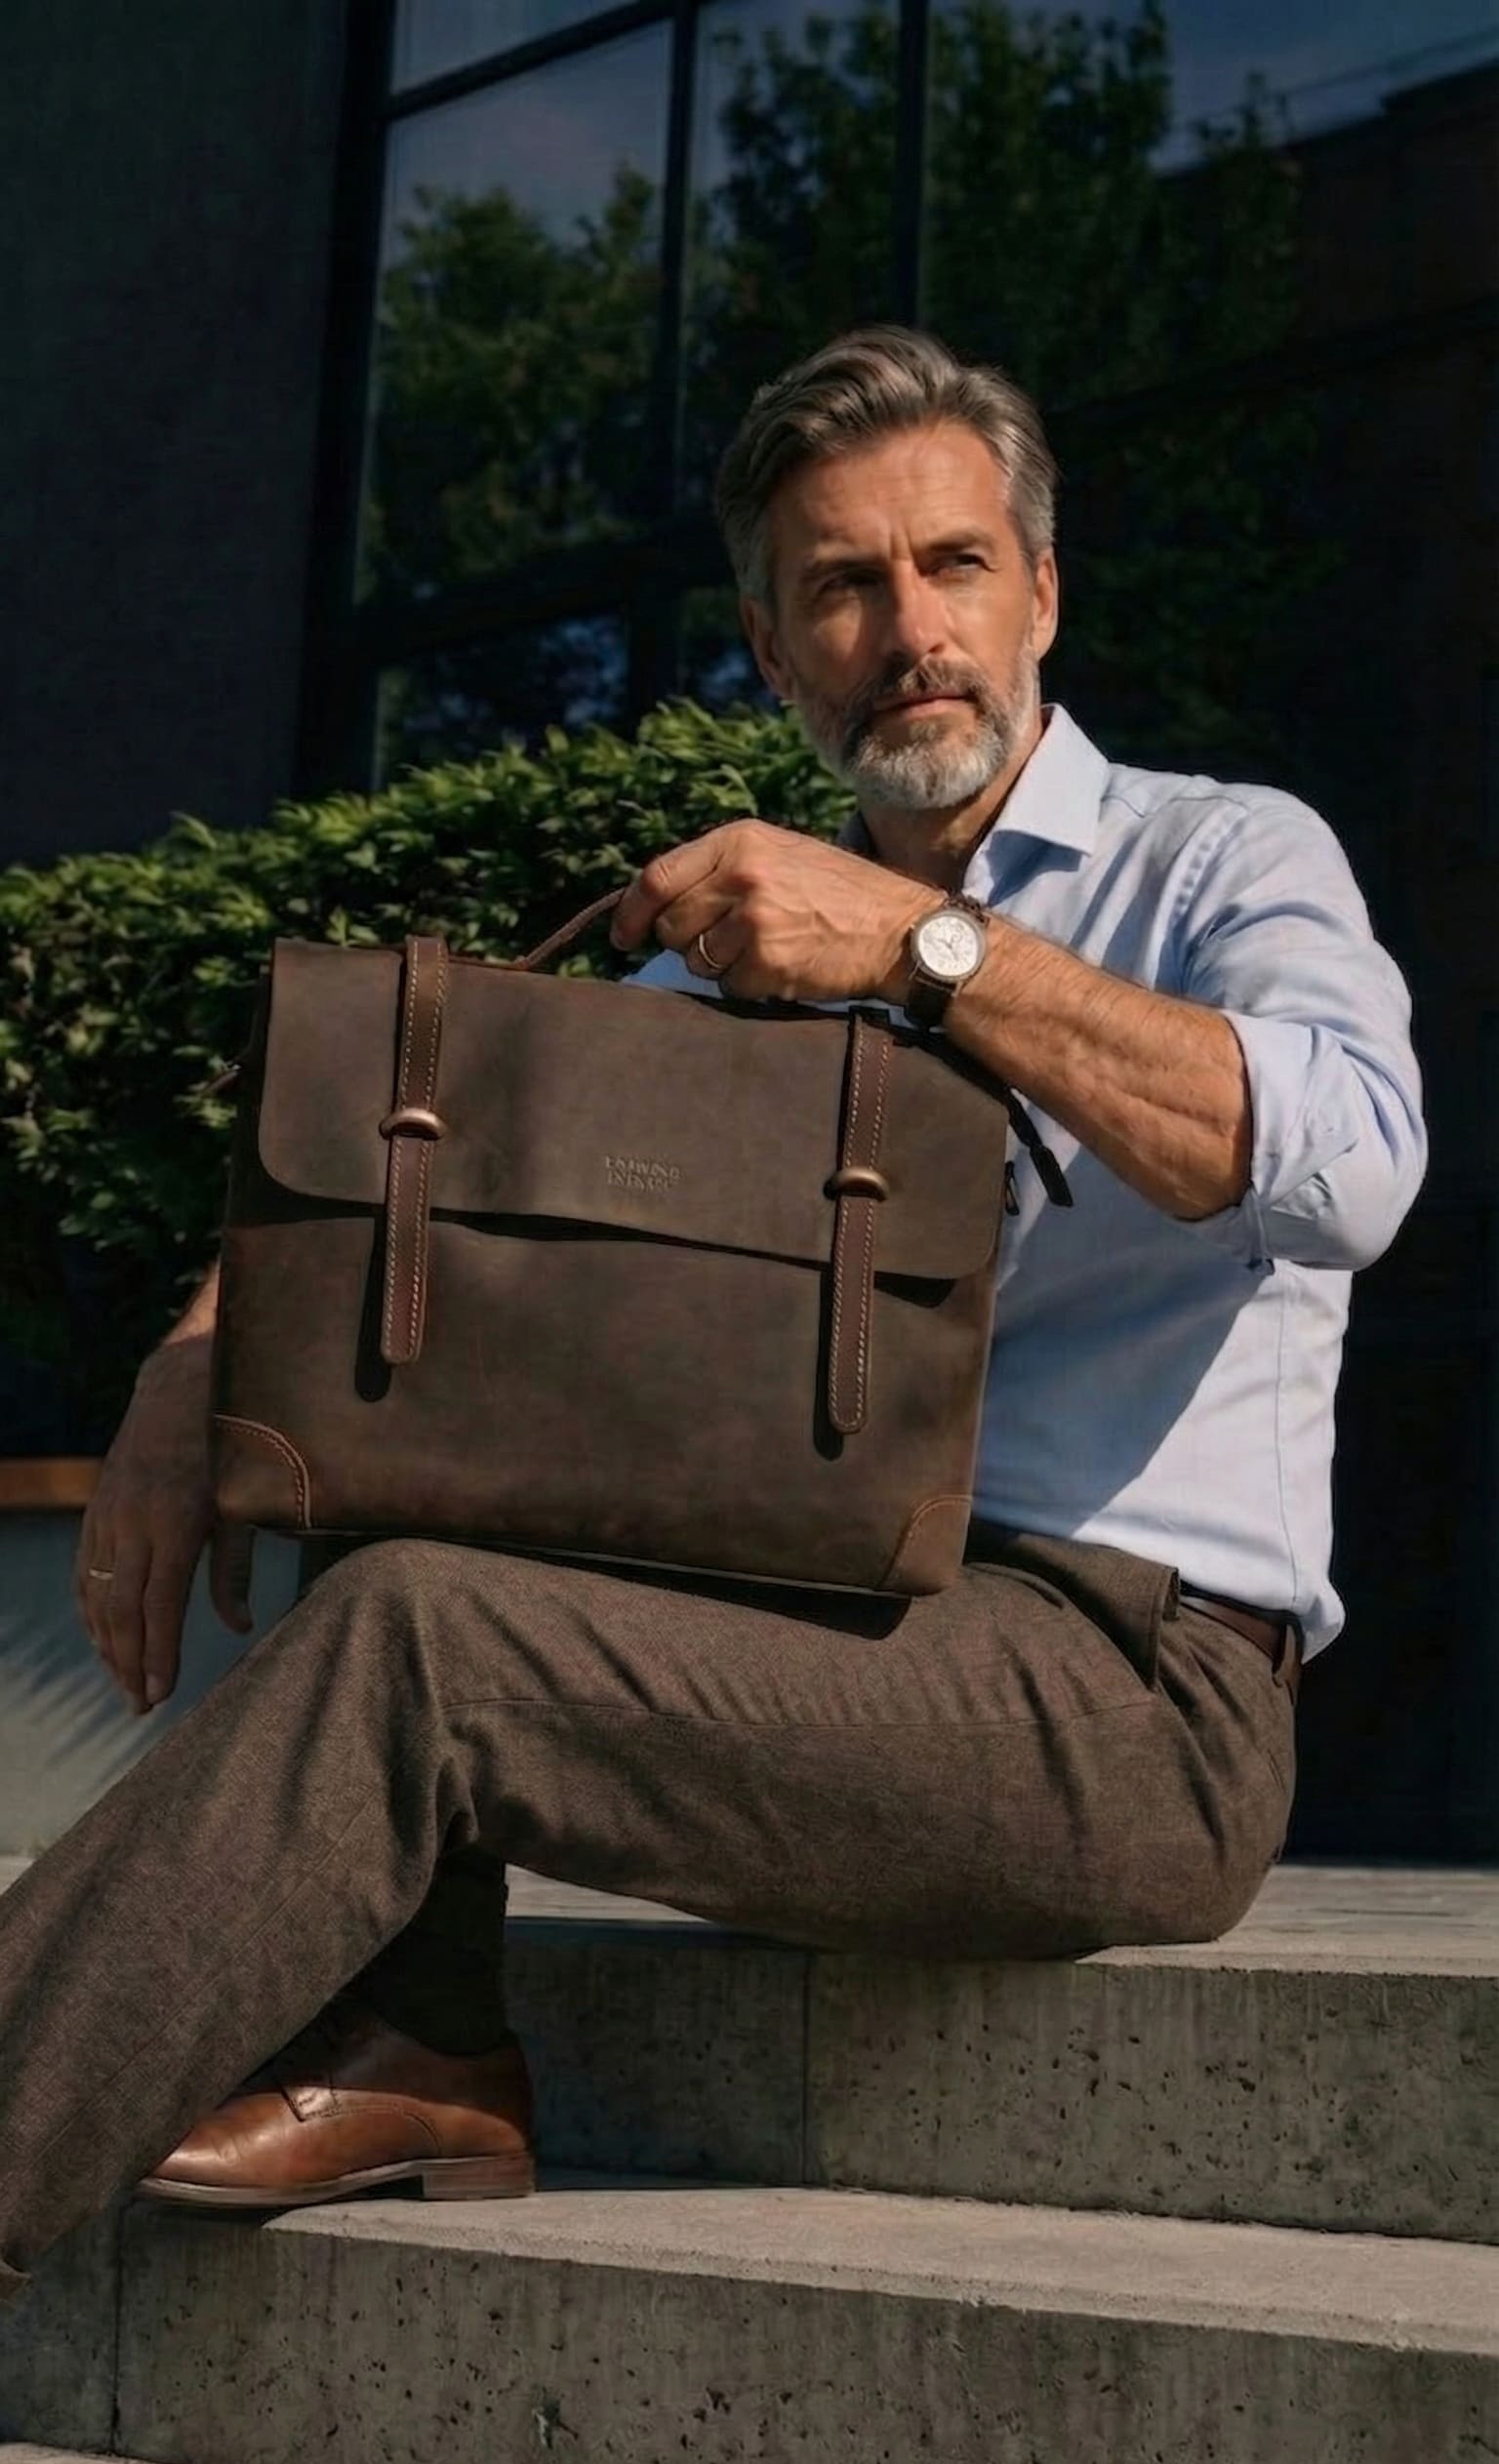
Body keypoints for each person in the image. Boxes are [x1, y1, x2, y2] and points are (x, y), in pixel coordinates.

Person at [0, 326, 1425, 2301]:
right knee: (401, 1420)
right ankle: (420, 2040)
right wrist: (188, 1362)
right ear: (773, 649)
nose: (906, 629)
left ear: (1041, 593)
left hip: (1131, 1696)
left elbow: (1357, 1167)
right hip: (834, 1635)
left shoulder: (1217, 859)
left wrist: (928, 951)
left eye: (951, 563)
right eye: (841, 585)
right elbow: (455, 1171)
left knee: (428, 1641)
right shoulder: (747, 949)